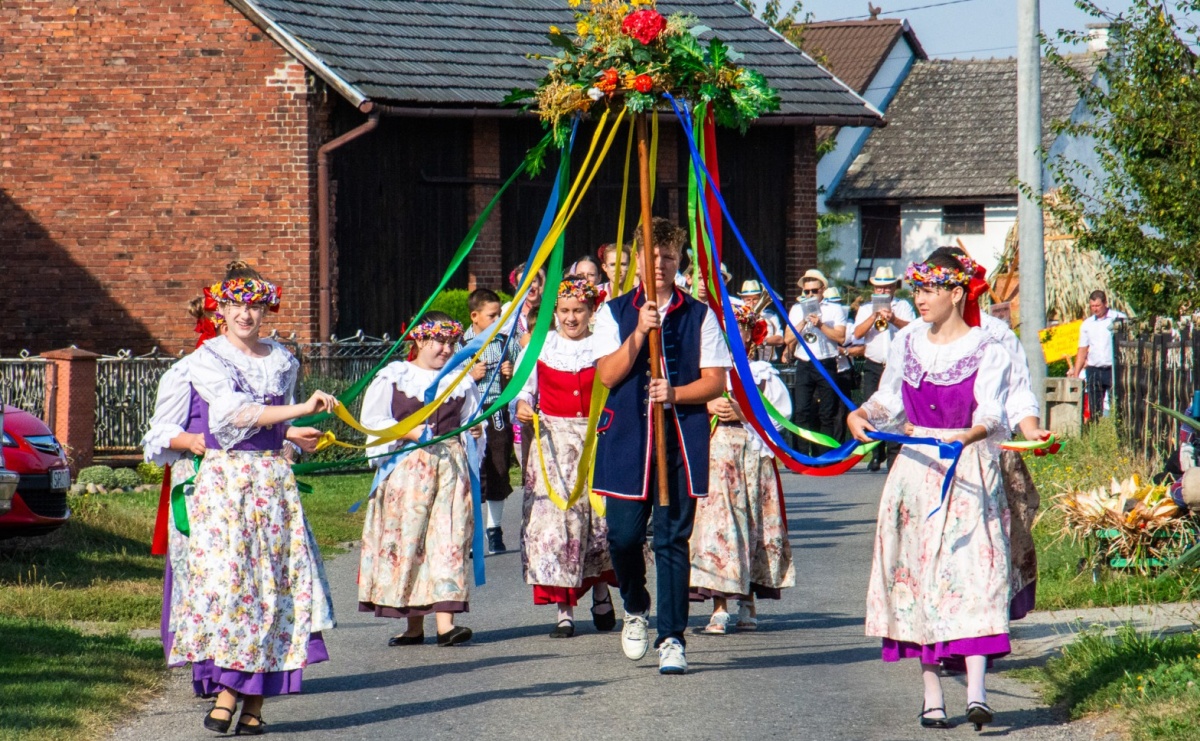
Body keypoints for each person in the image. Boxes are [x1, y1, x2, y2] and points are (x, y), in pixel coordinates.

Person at [847, 248, 1013, 732]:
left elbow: (992, 414)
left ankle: (977, 691)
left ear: (957, 293)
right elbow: (888, 400)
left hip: (965, 471)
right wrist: (862, 416)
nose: (919, 298)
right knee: (918, 577)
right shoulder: (907, 343)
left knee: (974, 575)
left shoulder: (988, 347)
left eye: (930, 289)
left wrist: (971, 435)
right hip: (916, 472)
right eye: (916, 289)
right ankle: (932, 693)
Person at [168, 261, 336, 736]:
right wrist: (301, 409)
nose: (246, 314)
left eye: (255, 306)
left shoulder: (282, 359)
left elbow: (271, 424)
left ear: (267, 310)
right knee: (232, 588)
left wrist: (292, 434)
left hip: (272, 484)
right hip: (225, 487)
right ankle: (227, 693)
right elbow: (233, 415)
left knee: (274, 588)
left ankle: (253, 704)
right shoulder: (207, 359)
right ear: (219, 309)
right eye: (236, 305)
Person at [593, 217, 731, 675]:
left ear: (679, 261)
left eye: (668, 256)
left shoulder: (699, 314)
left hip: (679, 439)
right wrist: (638, 332)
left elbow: (714, 382)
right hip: (628, 438)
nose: (659, 264)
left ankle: (672, 636)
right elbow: (609, 375)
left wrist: (674, 393)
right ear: (636, 257)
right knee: (624, 535)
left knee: (673, 539)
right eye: (652, 255)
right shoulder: (611, 312)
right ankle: (635, 602)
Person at [358, 312, 484, 649]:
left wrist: (475, 431)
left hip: (450, 469)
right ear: (418, 340)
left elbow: (472, 418)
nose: (445, 349)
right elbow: (372, 422)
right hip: (407, 472)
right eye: (438, 341)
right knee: (412, 541)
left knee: (449, 538)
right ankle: (414, 627)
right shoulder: (394, 377)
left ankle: (446, 624)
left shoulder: (461, 381)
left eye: (451, 342)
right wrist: (408, 430)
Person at [514, 276, 617, 638]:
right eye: (564, 311)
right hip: (554, 445)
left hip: (595, 440)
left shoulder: (603, 346)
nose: (571, 318)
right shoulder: (541, 347)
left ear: (591, 311)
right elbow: (524, 390)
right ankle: (564, 609)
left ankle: (601, 591)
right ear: (554, 312)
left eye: (579, 310)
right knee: (557, 526)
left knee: (596, 523)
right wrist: (524, 405)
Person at [689, 303, 794, 634]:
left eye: (741, 329)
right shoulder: (707, 373)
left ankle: (747, 599)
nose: (734, 336)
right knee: (720, 528)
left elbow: (782, 417)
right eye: (726, 329)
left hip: (752, 460)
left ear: (752, 333)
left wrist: (745, 413)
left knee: (751, 526)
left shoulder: (761, 373)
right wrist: (708, 404)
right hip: (716, 459)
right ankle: (719, 605)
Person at [142, 288, 226, 670]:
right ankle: (207, 663)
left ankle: (250, 659)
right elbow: (159, 433)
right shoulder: (187, 372)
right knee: (203, 567)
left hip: (248, 482)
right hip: (199, 483)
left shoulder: (264, 365)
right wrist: (190, 439)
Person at [463, 288, 520, 553]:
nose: (498, 321)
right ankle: (472, 531)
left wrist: (510, 372)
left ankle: (494, 529)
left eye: (499, 315)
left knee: (498, 466)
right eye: (492, 316)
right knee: (475, 469)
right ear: (475, 316)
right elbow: (450, 383)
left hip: (497, 409)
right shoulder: (460, 345)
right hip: (471, 413)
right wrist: (469, 376)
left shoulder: (506, 342)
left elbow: (523, 373)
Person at [852, 266, 916, 471]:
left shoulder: (903, 306)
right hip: (873, 365)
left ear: (893, 289)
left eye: (886, 288)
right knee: (872, 409)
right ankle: (875, 453)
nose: (882, 291)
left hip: (896, 368)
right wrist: (873, 317)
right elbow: (857, 335)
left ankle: (893, 456)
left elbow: (915, 330)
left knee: (894, 411)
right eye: (879, 288)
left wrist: (893, 319)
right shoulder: (865, 308)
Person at [784, 269, 847, 452]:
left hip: (826, 362)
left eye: (814, 291)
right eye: (806, 291)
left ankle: (824, 456)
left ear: (823, 290)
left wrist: (820, 324)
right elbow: (787, 339)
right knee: (802, 411)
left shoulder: (834, 309)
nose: (810, 295)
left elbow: (840, 337)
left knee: (827, 413)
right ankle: (802, 455)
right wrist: (803, 322)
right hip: (804, 363)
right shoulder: (797, 309)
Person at [1067, 290, 1126, 419]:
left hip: (1113, 369)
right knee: (1095, 409)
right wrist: (1076, 374)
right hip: (1094, 370)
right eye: (1092, 306)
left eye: (1098, 306)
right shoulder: (1087, 324)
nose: (1095, 309)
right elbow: (1082, 350)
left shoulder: (1119, 319)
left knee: (1116, 406)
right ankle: (1096, 431)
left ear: (1105, 303)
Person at [737, 279, 784, 361]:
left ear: (760, 298)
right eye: (748, 300)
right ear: (742, 300)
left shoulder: (771, 316)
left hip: (767, 362)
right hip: (744, 361)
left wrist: (761, 341)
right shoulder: (738, 316)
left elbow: (780, 340)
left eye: (755, 299)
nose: (752, 303)